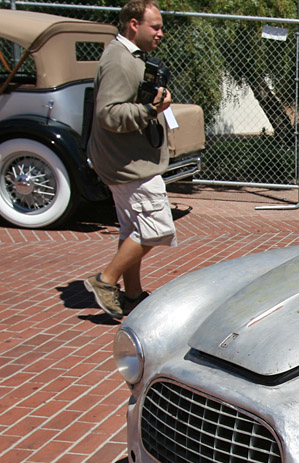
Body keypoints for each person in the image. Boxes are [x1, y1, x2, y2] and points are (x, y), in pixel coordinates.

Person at [85, 0, 175, 320]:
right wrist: (152, 110)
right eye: (155, 26)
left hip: (126, 160)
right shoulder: (120, 61)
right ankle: (106, 281)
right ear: (133, 25)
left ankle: (133, 295)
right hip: (129, 164)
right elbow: (109, 114)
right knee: (156, 228)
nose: (161, 33)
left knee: (133, 229)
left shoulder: (129, 57)